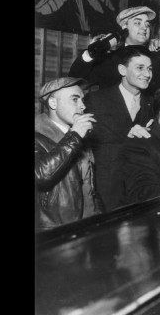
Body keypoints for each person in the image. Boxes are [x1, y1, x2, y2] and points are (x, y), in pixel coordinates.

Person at [84, 45, 155, 211]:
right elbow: (94, 144)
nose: (147, 74)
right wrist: (128, 135)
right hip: (107, 192)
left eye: (150, 69)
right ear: (122, 70)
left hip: (142, 190)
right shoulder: (96, 100)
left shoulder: (154, 103)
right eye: (140, 68)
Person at [35, 77, 104, 230]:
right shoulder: (39, 135)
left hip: (86, 227)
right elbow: (41, 175)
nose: (83, 106)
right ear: (53, 103)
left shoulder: (78, 136)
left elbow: (90, 186)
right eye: (75, 99)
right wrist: (75, 136)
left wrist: (100, 217)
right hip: (54, 232)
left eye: (82, 99)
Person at [69, 6, 160, 94]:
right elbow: (75, 78)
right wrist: (90, 54)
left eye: (147, 24)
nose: (144, 27)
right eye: (138, 23)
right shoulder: (109, 59)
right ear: (125, 28)